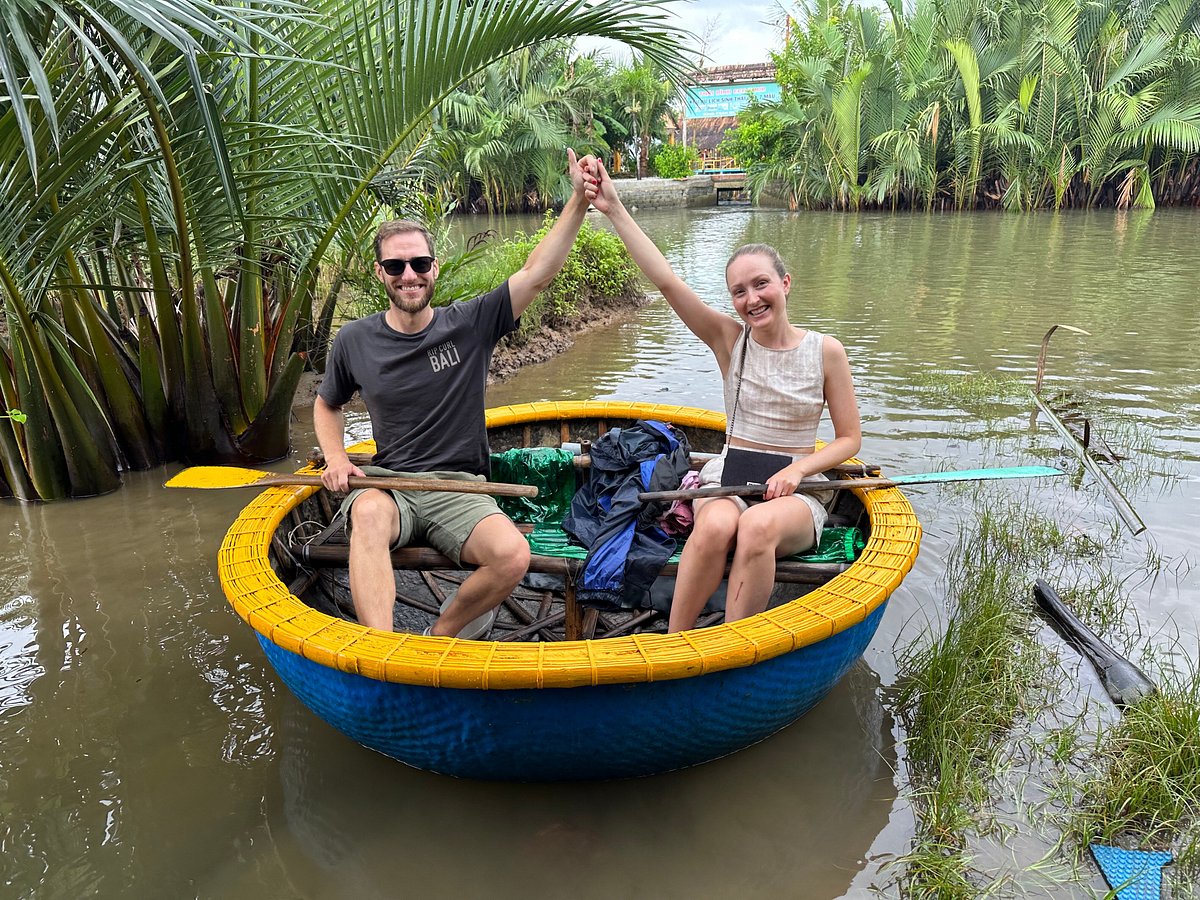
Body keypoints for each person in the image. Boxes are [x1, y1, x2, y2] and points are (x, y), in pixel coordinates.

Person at [315, 150, 596, 637]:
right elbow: (327, 403)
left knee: (512, 555)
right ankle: (386, 653)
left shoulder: (468, 324)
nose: (409, 275)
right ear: (379, 272)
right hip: (389, 483)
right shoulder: (354, 340)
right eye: (396, 265)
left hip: (460, 487)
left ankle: (436, 637)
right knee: (366, 514)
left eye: (419, 263)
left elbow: (537, 273)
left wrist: (577, 199)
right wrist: (336, 459)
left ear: (435, 268)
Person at [581, 158, 862, 632]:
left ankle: (729, 648)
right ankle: (677, 640)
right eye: (739, 291)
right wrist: (614, 209)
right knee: (713, 525)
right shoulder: (730, 341)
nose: (751, 299)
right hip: (730, 477)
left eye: (761, 284)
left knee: (756, 527)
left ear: (785, 283)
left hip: (795, 492)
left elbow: (848, 440)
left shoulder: (826, 352)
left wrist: (797, 469)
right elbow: (666, 281)